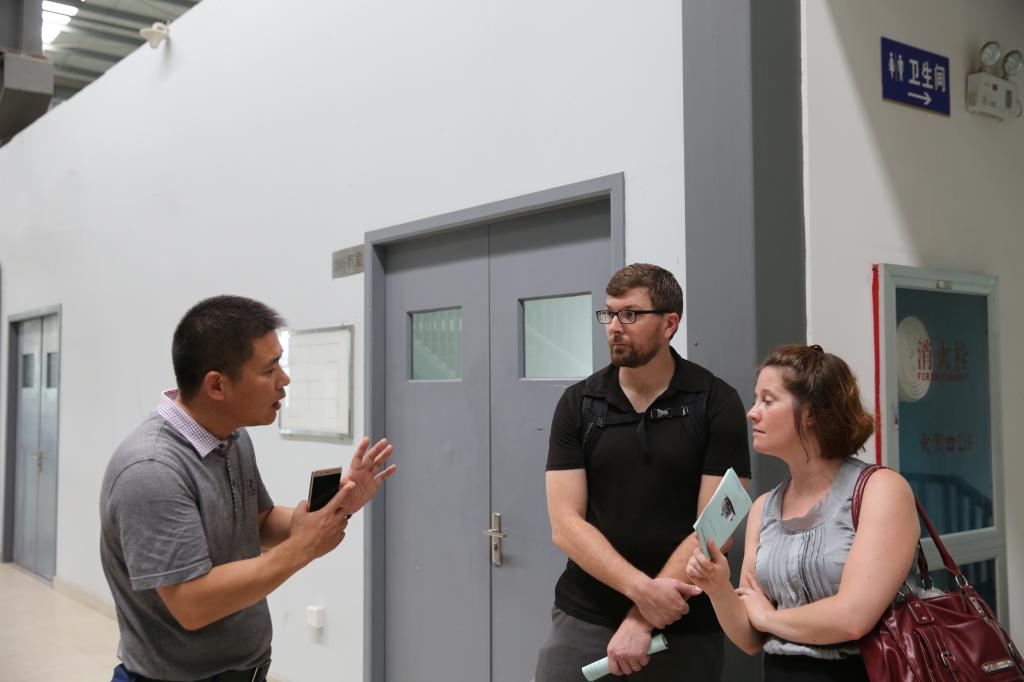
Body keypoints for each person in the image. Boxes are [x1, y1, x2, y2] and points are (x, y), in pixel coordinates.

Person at [100, 295, 396, 682]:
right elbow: (192, 604)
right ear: (217, 385)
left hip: (248, 670)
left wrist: (336, 507)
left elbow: (258, 523)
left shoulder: (231, 438)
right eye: (270, 370)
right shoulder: (151, 469)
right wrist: (302, 547)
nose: (284, 380)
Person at [535, 263, 751, 681]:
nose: (615, 327)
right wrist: (642, 592)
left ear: (669, 323)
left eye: (630, 314)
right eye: (609, 314)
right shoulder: (579, 404)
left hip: (683, 622)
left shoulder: (715, 402)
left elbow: (717, 528)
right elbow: (565, 524)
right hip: (586, 615)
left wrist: (641, 620)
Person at [686, 344, 920, 682]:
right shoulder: (763, 508)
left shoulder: (880, 490)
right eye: (755, 400)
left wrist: (769, 619)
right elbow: (750, 639)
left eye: (767, 400)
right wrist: (718, 587)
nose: (752, 413)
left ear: (811, 413)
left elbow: (852, 618)